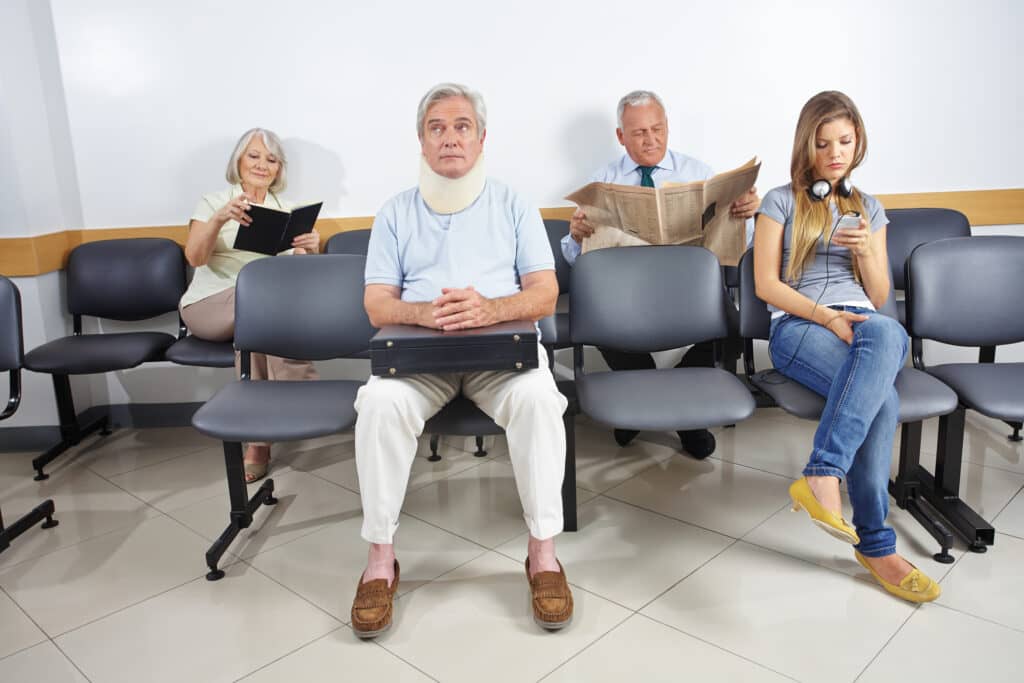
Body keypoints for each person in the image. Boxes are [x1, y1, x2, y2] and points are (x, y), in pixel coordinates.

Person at [350, 83, 572, 638]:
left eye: (462, 126)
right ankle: (380, 560)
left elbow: (544, 294)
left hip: (500, 354)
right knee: (377, 403)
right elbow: (376, 302)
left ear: (481, 138)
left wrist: (489, 308)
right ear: (422, 142)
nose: (450, 137)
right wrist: (428, 314)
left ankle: (543, 554)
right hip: (420, 358)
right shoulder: (397, 211)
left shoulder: (514, 203)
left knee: (542, 399)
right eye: (437, 128)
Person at [753, 90, 939, 603]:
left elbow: (878, 297)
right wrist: (828, 316)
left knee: (885, 327)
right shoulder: (779, 201)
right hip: (798, 327)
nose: (835, 152)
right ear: (806, 146)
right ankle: (877, 545)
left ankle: (822, 475)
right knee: (887, 394)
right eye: (823, 143)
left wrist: (867, 255)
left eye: (845, 141)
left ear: (858, 145)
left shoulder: (870, 209)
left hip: (862, 328)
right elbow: (766, 286)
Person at [561, 90, 759, 458]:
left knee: (732, 324)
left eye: (657, 129)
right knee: (594, 316)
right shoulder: (601, 180)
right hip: (626, 299)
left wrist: (746, 216)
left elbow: (740, 245)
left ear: (667, 127)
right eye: (638, 133)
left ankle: (684, 419)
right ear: (621, 136)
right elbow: (578, 261)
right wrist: (575, 237)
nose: (650, 139)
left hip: (686, 295)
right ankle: (645, 402)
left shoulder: (698, 174)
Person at [180, 128, 321, 484]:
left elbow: (298, 281)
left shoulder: (285, 212)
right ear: (238, 162)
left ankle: (258, 443)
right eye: (254, 156)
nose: (262, 164)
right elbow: (195, 257)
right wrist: (220, 219)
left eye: (271, 159)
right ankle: (299, 392)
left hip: (259, 310)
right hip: (209, 305)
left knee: (258, 321)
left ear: (279, 169)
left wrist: (309, 251)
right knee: (260, 311)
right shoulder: (213, 202)